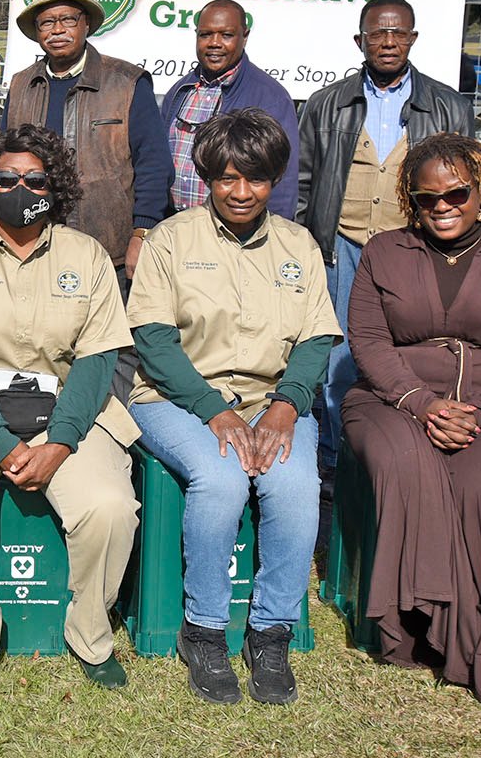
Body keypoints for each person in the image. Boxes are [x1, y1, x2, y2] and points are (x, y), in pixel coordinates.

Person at [0, 124, 141, 695]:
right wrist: (2, 444)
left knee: (111, 506)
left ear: (53, 185)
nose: (20, 188)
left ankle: (89, 633)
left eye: (34, 179)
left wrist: (59, 443)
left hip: (67, 409)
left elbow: (96, 360)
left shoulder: (86, 256)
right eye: (6, 178)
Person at [127, 108, 341, 706]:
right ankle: (204, 630)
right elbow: (153, 339)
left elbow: (316, 339)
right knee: (220, 478)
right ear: (207, 179)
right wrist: (213, 409)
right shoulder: (171, 240)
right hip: (177, 397)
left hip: (271, 400)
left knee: (296, 483)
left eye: (255, 179)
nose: (241, 192)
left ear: (274, 179)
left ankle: (271, 630)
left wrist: (286, 407)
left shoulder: (299, 243)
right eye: (226, 179)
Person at [341, 133, 481, 707]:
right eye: (426, 198)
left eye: (456, 193)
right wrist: (420, 402)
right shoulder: (384, 252)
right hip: (395, 401)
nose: (442, 207)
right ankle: (423, 632)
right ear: (410, 200)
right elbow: (367, 340)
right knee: (404, 462)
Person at [296, 0, 474, 472]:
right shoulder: (326, 104)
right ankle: (337, 459)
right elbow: (304, 183)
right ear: (361, 40)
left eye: (399, 33)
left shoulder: (448, 107)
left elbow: (466, 186)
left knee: (406, 352)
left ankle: (403, 452)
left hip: (413, 250)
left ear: (413, 39)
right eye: (379, 33)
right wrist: (307, 247)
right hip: (343, 250)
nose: (389, 42)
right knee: (339, 357)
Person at [3, 0, 172, 281]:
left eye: (67, 19)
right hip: (32, 241)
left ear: (86, 24)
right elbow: (3, 163)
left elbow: (155, 165)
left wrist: (142, 233)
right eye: (46, 22)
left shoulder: (127, 83)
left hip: (108, 249)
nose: (57, 30)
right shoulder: (20, 85)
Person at [159, 0, 299, 219]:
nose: (214, 43)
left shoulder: (271, 97)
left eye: (226, 35)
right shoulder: (180, 91)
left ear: (245, 36)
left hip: (233, 232)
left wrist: (274, 241)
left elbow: (284, 180)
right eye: (205, 34)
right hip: (176, 226)